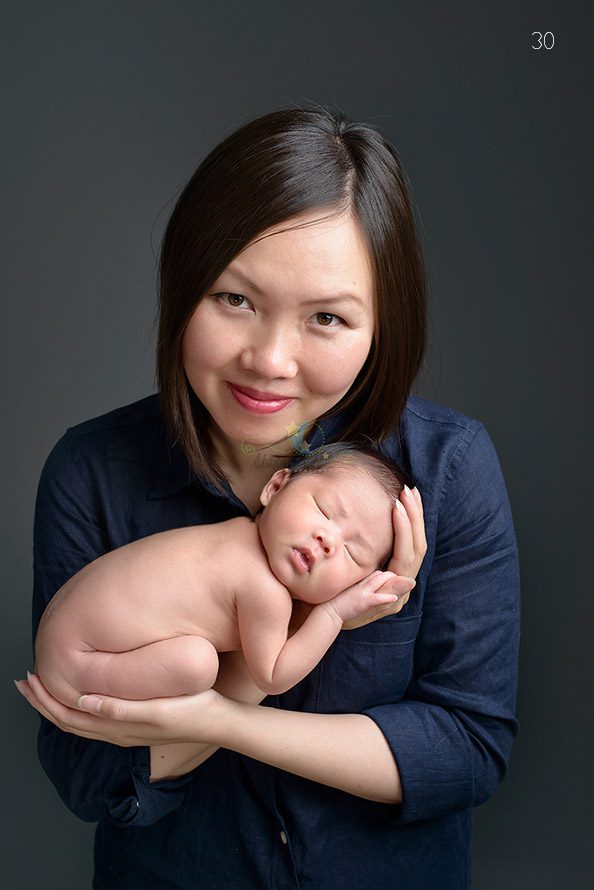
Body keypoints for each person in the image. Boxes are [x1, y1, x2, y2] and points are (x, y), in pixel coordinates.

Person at [16, 106, 520, 890]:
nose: (270, 360)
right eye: (235, 299)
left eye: (327, 318)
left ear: (381, 327)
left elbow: (467, 751)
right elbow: (89, 780)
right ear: (183, 283)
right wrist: (240, 690)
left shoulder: (446, 469)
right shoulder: (93, 472)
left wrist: (219, 720)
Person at [35, 445, 411, 704]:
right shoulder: (265, 591)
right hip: (77, 667)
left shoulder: (236, 531)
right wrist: (333, 614)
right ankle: (92, 687)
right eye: (323, 510)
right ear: (276, 487)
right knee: (198, 664)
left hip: (62, 634)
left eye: (352, 552)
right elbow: (273, 676)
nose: (328, 540)